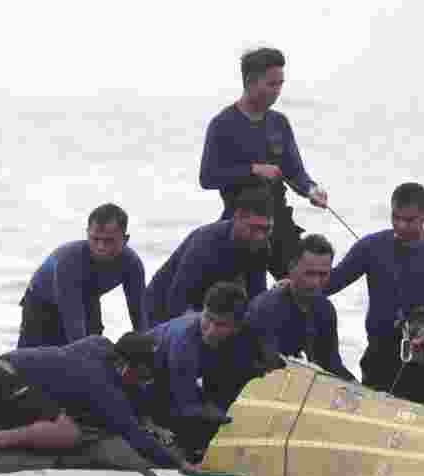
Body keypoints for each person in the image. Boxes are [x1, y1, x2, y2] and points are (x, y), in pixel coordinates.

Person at [0, 332, 194, 474]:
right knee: (69, 432)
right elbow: (135, 436)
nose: (143, 383)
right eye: (143, 377)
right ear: (126, 367)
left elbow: (125, 391)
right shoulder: (103, 387)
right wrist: (180, 465)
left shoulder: (98, 344)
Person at [325, 182, 424, 408]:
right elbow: (331, 283)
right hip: (382, 353)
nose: (400, 225)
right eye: (395, 217)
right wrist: (296, 281)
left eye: (409, 220)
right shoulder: (370, 247)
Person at [199, 46, 330, 279]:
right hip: (240, 223)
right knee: (238, 296)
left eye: (281, 84)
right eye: (271, 84)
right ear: (250, 82)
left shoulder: (279, 123)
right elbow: (207, 177)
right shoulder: (223, 124)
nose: (277, 91)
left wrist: (311, 190)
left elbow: (295, 172)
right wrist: (253, 170)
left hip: (278, 221)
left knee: (303, 283)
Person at [142, 282, 269, 462]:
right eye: (208, 319)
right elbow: (186, 406)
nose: (210, 330)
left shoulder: (245, 335)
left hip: (183, 382)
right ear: (203, 310)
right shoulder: (184, 343)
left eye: (221, 325)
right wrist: (227, 419)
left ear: (237, 327)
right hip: (148, 387)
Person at [18, 203, 147, 348]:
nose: (101, 247)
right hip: (41, 304)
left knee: (95, 348)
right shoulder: (69, 261)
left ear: (125, 239)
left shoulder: (132, 264)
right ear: (87, 234)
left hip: (88, 298)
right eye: (95, 239)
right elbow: (75, 331)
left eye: (109, 241)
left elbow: (140, 316)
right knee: (43, 357)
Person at [145, 184, 272, 326]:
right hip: (160, 311)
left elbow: (256, 296)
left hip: (207, 308)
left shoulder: (261, 247)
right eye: (254, 228)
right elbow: (177, 302)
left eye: (266, 229)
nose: (260, 236)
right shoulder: (206, 243)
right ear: (237, 217)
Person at [246, 234, 355, 381]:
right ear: (291, 268)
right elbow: (271, 367)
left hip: (298, 379)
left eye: (323, 274)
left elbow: (332, 365)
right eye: (309, 274)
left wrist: (361, 390)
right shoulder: (267, 308)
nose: (316, 282)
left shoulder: (325, 309)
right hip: (258, 382)